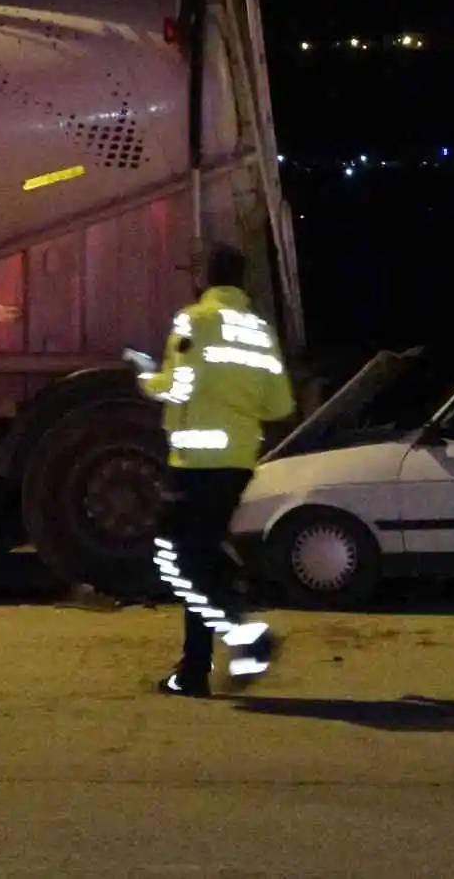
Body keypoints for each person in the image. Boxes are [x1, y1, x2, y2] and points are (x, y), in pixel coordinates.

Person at [131, 243, 297, 697]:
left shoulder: (193, 320)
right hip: (237, 462)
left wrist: (146, 376)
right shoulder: (259, 331)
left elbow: (178, 386)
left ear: (204, 279)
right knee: (199, 558)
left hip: (195, 460)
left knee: (174, 557)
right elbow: (280, 404)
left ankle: (242, 636)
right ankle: (193, 670)